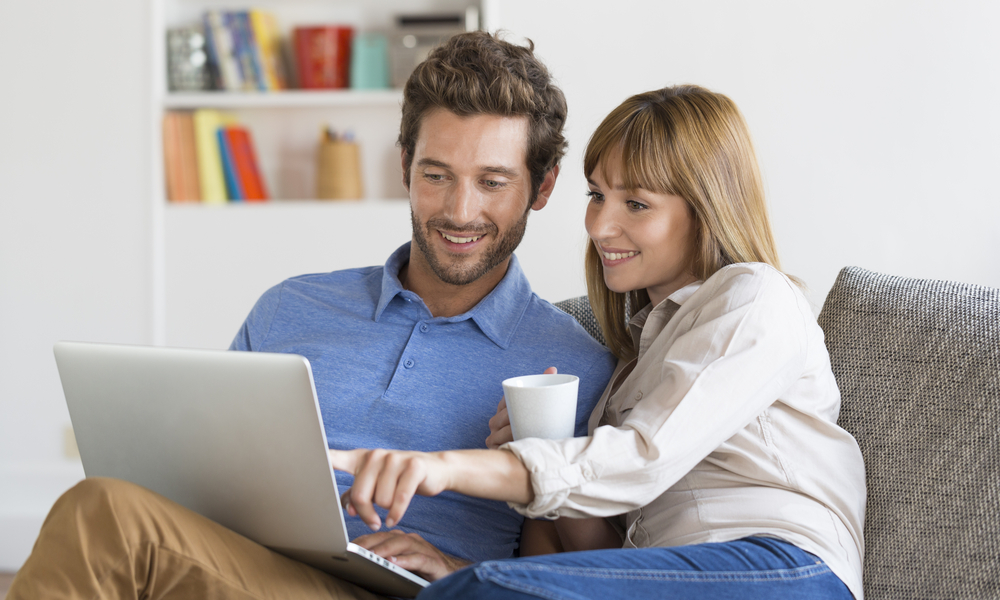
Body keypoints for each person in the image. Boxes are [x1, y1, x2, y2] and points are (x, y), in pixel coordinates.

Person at [8, 32, 616, 600]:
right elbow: (204, 476)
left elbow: (585, 572)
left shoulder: (578, 364)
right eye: (437, 175)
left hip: (421, 591)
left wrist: (459, 574)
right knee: (116, 516)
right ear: (404, 163)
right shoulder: (291, 309)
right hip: (251, 567)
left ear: (541, 187)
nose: (460, 210)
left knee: (106, 514)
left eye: (493, 182)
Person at [329, 85, 868, 600]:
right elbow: (587, 557)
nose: (600, 225)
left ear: (704, 207)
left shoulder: (755, 298)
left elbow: (641, 461)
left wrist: (440, 467)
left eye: (636, 203)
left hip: (783, 571)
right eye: (596, 195)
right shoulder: (629, 369)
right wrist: (459, 567)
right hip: (667, 572)